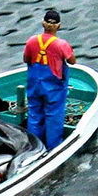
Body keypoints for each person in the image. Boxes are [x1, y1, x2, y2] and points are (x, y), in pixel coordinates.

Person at [23, 9, 76, 150]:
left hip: (34, 84)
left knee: (34, 114)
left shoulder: (31, 41)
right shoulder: (61, 44)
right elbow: (72, 61)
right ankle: (53, 148)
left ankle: (34, 148)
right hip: (54, 88)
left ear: (43, 23)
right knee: (53, 116)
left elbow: (26, 59)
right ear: (59, 26)